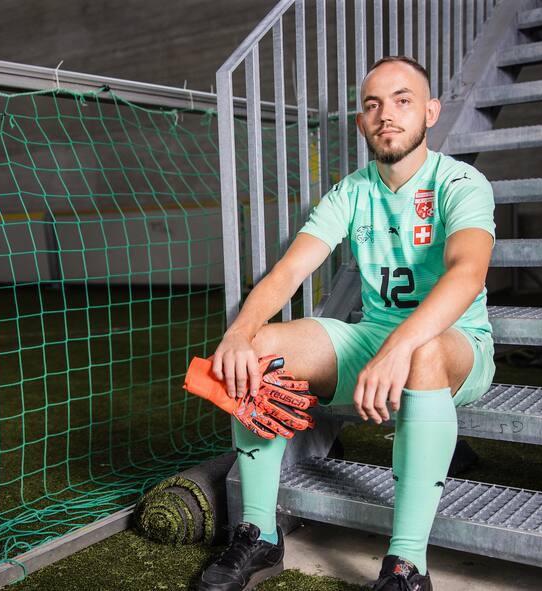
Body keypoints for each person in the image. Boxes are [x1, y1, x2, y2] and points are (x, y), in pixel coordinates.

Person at [196, 55, 497, 591]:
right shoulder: (351, 191)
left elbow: (468, 272)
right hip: (371, 338)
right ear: (362, 122)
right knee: (259, 349)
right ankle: (259, 533)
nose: (387, 114)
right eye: (373, 105)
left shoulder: (460, 182)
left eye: (403, 101)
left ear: (429, 111)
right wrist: (239, 334)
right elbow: (289, 270)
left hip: (454, 348)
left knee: (424, 352)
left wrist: (399, 348)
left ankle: (407, 565)